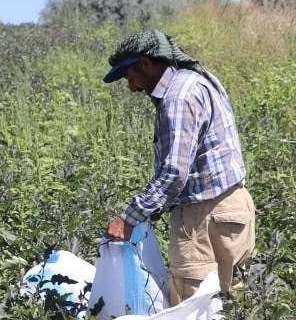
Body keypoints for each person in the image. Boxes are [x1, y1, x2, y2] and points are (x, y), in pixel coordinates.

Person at [102, 30, 255, 305]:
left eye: (130, 76)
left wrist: (129, 219)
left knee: (191, 315)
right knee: (234, 309)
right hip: (234, 208)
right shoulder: (198, 81)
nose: (132, 87)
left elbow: (174, 173)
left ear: (147, 64)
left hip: (203, 217)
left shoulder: (178, 97)